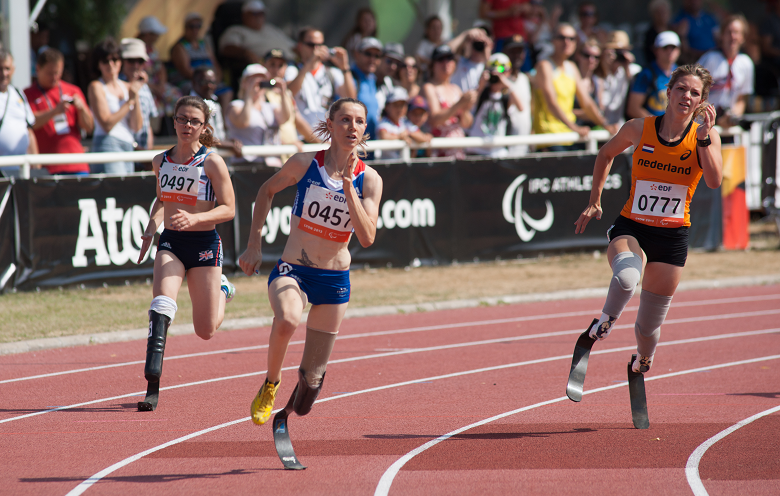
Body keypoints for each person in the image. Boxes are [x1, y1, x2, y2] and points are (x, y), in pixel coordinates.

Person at [237, 98, 383, 426]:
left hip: (334, 281)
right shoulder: (304, 163)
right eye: (344, 119)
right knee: (288, 319)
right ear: (330, 124)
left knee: (309, 389)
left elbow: (367, 237)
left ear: (365, 129)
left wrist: (349, 188)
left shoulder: (370, 179)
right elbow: (266, 190)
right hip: (294, 271)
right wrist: (254, 245)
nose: (352, 127)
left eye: (359, 121)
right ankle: (271, 383)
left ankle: (298, 397)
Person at [572, 63, 722, 377]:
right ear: (668, 92)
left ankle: (642, 359)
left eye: (695, 93)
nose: (686, 96)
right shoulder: (639, 128)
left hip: (672, 237)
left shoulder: (706, 137)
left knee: (648, 328)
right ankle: (604, 322)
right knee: (627, 278)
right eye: (681, 88)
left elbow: (713, 181)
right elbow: (605, 154)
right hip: (633, 226)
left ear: (702, 101)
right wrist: (594, 200)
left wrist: (704, 139)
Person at [136, 95, 236, 411]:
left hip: (205, 245)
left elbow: (229, 209)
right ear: (174, 121)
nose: (187, 125)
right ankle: (152, 382)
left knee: (205, 331)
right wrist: (151, 228)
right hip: (172, 244)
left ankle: (223, 290)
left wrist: (195, 219)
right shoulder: (160, 161)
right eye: (182, 119)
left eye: (194, 121)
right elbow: (162, 200)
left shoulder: (211, 162)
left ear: (204, 127)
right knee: (162, 303)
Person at [532, 23, 616, 151]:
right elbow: (551, 103)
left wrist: (605, 124)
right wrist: (575, 128)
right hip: (549, 138)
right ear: (553, 40)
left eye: (571, 38)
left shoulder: (571, 67)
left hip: (570, 137)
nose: (567, 42)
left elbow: (587, 102)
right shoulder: (544, 66)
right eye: (562, 37)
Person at [25, 48, 93, 176]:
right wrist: (54, 112)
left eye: (57, 73)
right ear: (38, 69)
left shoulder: (73, 90)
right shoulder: (27, 94)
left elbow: (89, 128)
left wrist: (82, 109)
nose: (54, 77)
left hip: (77, 164)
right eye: (50, 73)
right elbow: (30, 124)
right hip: (48, 167)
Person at [87, 38, 143, 175]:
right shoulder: (97, 86)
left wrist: (134, 96)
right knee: (116, 187)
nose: (111, 64)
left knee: (126, 188)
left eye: (115, 59)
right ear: (98, 64)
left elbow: (136, 126)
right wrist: (129, 102)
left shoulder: (128, 87)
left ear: (120, 61)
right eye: (105, 61)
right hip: (107, 144)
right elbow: (106, 124)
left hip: (128, 144)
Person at [286, 26, 356, 130]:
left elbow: (351, 99)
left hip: (325, 135)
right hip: (301, 135)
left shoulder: (332, 72)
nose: (316, 49)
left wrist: (344, 67)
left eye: (320, 45)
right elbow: (289, 93)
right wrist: (310, 63)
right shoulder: (293, 70)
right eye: (311, 45)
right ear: (300, 46)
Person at [226, 63, 291, 166]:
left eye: (262, 80)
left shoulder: (270, 107)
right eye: (252, 80)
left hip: (272, 164)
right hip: (246, 164)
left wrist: (283, 92)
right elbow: (243, 122)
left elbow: (285, 118)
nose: (258, 83)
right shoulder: (236, 105)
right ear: (243, 83)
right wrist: (249, 94)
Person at [697, 15, 754, 128]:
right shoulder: (709, 59)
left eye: (736, 32)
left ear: (743, 37)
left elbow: (742, 98)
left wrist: (732, 117)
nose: (733, 36)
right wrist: (713, 119)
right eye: (729, 32)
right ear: (722, 35)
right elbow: (695, 93)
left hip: (729, 125)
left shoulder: (746, 63)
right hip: (703, 123)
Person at [422, 44, 476, 159]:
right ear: (432, 65)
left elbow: (467, 124)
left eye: (449, 58)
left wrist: (466, 108)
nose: (446, 63)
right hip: (439, 155)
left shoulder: (456, 89)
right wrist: (459, 104)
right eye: (441, 59)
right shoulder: (429, 87)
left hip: (458, 153)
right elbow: (435, 120)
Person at [169, 12, 231, 109]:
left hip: (208, 79)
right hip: (191, 81)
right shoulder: (180, 46)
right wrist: (205, 81)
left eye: (198, 26)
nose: (195, 29)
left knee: (226, 91)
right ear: (185, 27)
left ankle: (221, 118)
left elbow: (215, 64)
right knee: (197, 91)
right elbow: (186, 71)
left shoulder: (204, 44)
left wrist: (215, 80)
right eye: (191, 26)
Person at [467, 53, 524, 158]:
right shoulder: (481, 93)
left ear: (509, 72)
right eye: (492, 71)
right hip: (476, 150)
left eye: (502, 71)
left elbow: (521, 107)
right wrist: (481, 86)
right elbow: (469, 106)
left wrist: (506, 83)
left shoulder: (507, 96)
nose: (497, 75)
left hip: (498, 152)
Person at [263, 49, 307, 162]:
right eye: (272, 64)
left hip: (290, 155)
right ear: (264, 66)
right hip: (272, 157)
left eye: (280, 65)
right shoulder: (259, 93)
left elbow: (298, 121)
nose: (276, 69)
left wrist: (320, 142)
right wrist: (286, 144)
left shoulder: (287, 93)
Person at [219, 0, 296, 64]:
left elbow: (293, 46)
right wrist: (246, 53)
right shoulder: (236, 30)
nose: (259, 17)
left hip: (292, 62)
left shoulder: (270, 28)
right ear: (244, 15)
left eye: (261, 13)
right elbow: (227, 48)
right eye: (255, 14)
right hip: (269, 68)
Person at [0, 50, 37, 178]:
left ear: (13, 69)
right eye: (0, 69)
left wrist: (36, 165)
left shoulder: (18, 93)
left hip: (21, 170)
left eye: (7, 68)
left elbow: (28, 131)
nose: (4, 73)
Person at [191, 67, 243, 158]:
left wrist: (230, 141)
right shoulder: (189, 106)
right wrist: (229, 145)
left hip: (217, 157)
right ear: (194, 83)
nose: (209, 86)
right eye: (204, 82)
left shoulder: (215, 103)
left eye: (213, 82)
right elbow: (202, 139)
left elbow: (219, 134)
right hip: (199, 159)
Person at [627, 31, 681, 119]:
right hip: (652, 125)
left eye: (673, 47)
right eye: (665, 47)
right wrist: (658, 124)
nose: (669, 51)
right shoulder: (646, 73)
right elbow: (633, 108)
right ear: (656, 50)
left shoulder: (681, 74)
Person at [121, 38, 157, 153]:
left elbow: (148, 122)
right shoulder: (116, 85)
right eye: (131, 60)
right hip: (124, 150)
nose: (136, 65)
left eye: (140, 61)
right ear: (122, 61)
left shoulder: (144, 86)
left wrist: (148, 149)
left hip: (143, 152)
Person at [593, 31, 635, 128]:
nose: (617, 56)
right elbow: (601, 105)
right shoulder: (599, 73)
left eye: (621, 51)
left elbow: (636, 91)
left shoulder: (630, 70)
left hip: (620, 126)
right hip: (601, 126)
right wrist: (605, 65)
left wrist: (627, 65)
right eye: (615, 51)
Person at [377, 87, 432, 159]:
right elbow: (384, 136)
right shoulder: (384, 123)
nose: (399, 109)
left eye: (402, 105)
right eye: (396, 105)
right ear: (387, 107)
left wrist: (409, 134)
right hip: (387, 164)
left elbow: (422, 137)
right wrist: (400, 136)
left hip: (403, 164)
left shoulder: (405, 122)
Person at [503, 35, 532, 157]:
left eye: (520, 51)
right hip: (504, 151)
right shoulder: (499, 82)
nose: (517, 55)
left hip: (523, 149)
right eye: (512, 51)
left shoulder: (525, 79)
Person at [350, 37, 383, 142]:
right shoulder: (348, 77)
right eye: (368, 54)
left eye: (377, 56)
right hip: (352, 143)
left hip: (371, 144)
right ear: (357, 54)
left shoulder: (373, 79)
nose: (372, 59)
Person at [671, 0, 720, 64]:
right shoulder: (680, 20)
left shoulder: (709, 18)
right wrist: (682, 36)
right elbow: (683, 50)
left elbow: (718, 39)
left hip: (714, 59)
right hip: (694, 62)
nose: (694, 1)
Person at [449, 27, 493, 93]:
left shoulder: (488, 66)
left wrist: (487, 47)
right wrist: (465, 35)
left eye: (481, 43)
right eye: (476, 43)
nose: (478, 46)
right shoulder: (460, 62)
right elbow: (446, 50)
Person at [376, 43, 404, 112]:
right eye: (389, 61)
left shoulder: (388, 82)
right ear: (380, 58)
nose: (393, 67)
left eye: (397, 63)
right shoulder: (364, 77)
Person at [644, 0, 673, 67]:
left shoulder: (674, 30)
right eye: (658, 12)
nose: (662, 15)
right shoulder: (650, 34)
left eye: (664, 12)